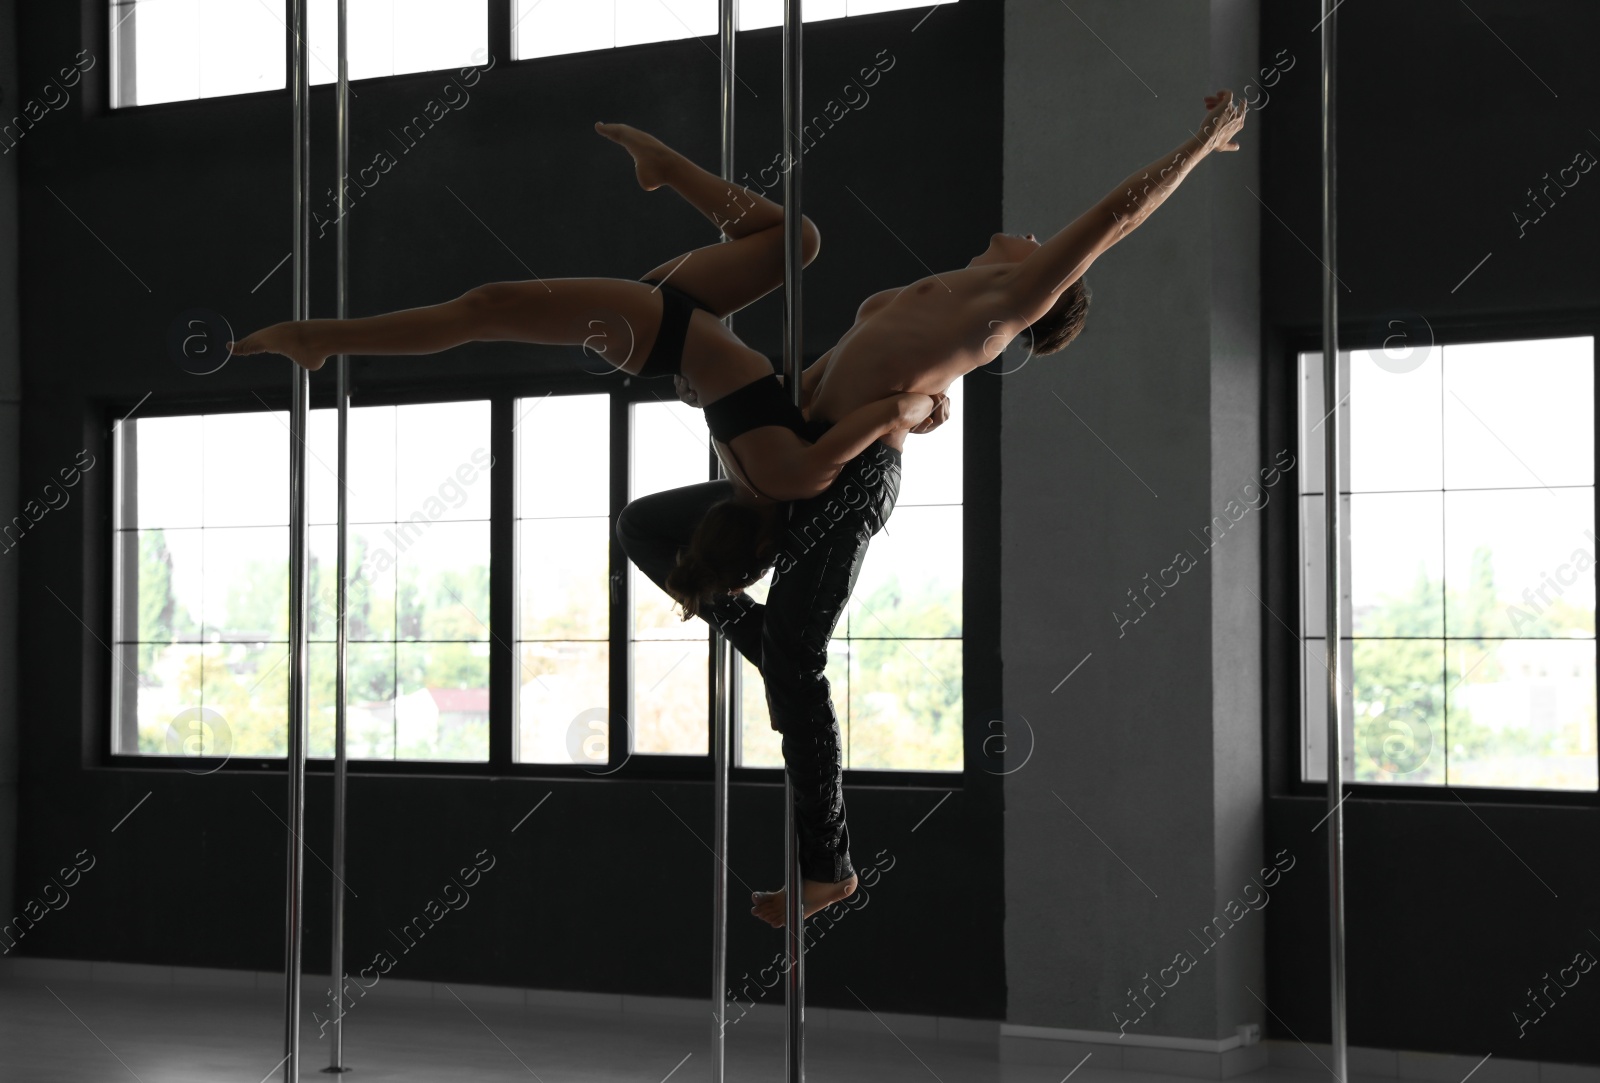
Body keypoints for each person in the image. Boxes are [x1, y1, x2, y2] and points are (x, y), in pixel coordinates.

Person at [623, 89, 1251, 928]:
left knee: (797, 657)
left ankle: (828, 867)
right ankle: (769, 649)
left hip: (849, 481)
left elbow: (1116, 219)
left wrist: (1200, 144)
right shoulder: (955, 287)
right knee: (645, 527)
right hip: (797, 458)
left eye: (1042, 250)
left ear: (1044, 286)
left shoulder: (1000, 305)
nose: (1031, 234)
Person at [227, 122, 939, 606]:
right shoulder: (770, 469)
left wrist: (924, 408)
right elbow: (832, 399)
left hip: (659, 330)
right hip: (681, 319)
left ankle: (324, 339)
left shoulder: (784, 474)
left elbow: (885, 416)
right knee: (797, 238)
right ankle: (663, 168)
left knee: (487, 307)